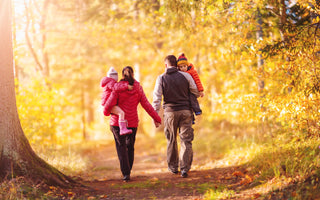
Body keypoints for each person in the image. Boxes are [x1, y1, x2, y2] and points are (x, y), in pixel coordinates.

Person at [104, 66, 161, 181]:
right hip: (132, 122)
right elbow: (146, 105)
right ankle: (128, 171)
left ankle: (126, 174)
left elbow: (108, 105)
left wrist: (106, 111)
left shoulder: (118, 88)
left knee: (121, 147)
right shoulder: (138, 88)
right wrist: (157, 118)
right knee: (130, 147)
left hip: (117, 123)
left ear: (122, 75)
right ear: (133, 74)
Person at [152, 55, 199, 178]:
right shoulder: (186, 76)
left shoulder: (161, 78)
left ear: (166, 65)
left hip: (170, 112)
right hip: (186, 112)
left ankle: (173, 167)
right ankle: (184, 169)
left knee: (171, 139)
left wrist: (155, 115)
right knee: (186, 140)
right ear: (177, 64)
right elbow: (195, 91)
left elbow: (157, 98)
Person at [100, 67, 132, 135]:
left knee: (120, 113)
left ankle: (123, 127)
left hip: (108, 103)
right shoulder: (110, 82)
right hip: (108, 104)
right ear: (112, 76)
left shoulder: (108, 82)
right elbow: (116, 87)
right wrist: (126, 86)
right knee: (121, 113)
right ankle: (122, 129)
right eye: (115, 75)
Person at [176, 53, 204, 122]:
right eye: (181, 67)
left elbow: (197, 81)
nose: (183, 68)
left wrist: (200, 90)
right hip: (185, 91)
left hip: (191, 91)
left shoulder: (192, 71)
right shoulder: (179, 73)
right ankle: (191, 119)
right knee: (187, 105)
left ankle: (197, 110)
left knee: (192, 100)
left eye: (184, 66)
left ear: (187, 65)